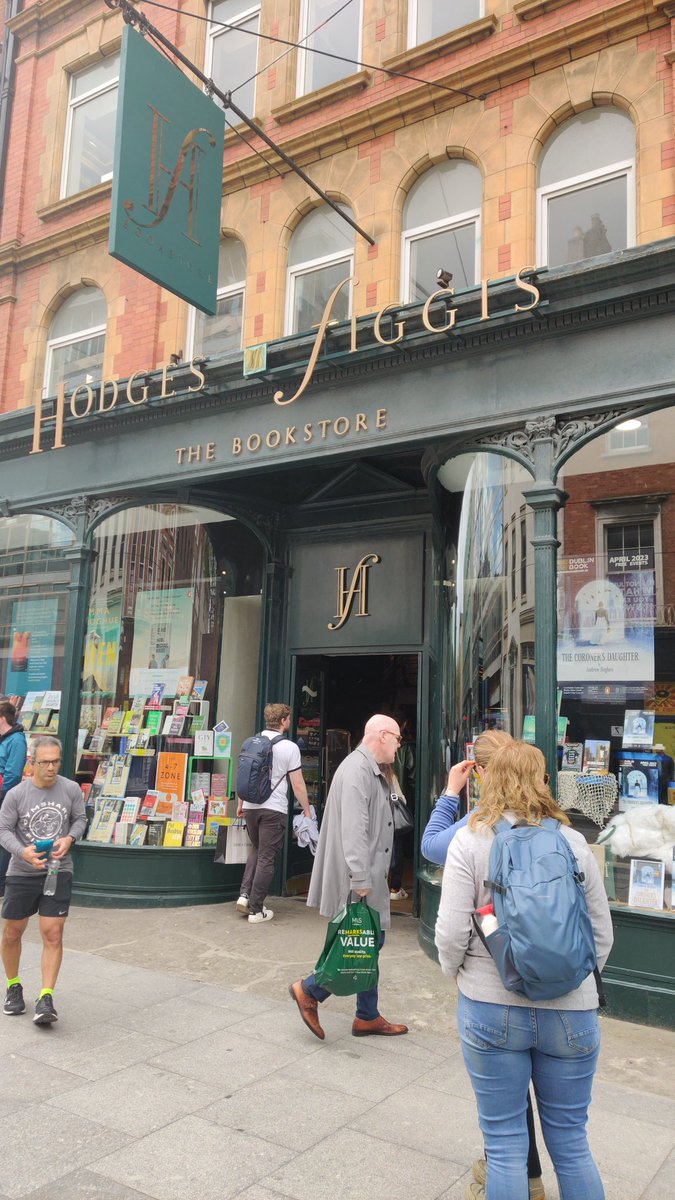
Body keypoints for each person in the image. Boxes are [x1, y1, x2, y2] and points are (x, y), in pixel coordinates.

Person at [435, 740, 613, 1200]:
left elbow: (451, 933)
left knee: (504, 1144)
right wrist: (570, 978)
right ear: (543, 782)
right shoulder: (574, 843)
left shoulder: (470, 839)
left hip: (490, 1006)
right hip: (572, 1012)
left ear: (489, 781)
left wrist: (459, 974)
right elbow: (601, 934)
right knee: (572, 1144)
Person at [422, 732, 545, 1199]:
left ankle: (520, 1177)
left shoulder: (477, 826)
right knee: (570, 1137)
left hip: (495, 982)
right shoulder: (562, 832)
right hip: (560, 986)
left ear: (483, 772)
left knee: (504, 1110)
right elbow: (599, 930)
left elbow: (431, 847)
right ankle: (530, 1176)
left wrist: (449, 794)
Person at [289, 714, 408, 1040]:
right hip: (360, 875)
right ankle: (309, 990)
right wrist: (360, 878)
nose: (399, 745)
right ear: (382, 735)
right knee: (362, 940)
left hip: (368, 872)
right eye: (397, 739)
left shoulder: (369, 769)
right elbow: (354, 830)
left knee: (366, 939)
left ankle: (367, 1015)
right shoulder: (358, 770)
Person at [0, 735, 86, 1024]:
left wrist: (70, 838)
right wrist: (21, 852)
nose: (51, 767)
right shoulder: (16, 794)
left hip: (58, 870)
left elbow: (80, 819)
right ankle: (13, 986)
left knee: (53, 933)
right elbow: (3, 830)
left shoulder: (71, 789)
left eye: (56, 762)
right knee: (13, 932)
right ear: (32, 763)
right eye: (45, 762)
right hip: (22, 872)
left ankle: (46, 997)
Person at [236, 702, 312, 924]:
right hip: (273, 809)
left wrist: (241, 803)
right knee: (267, 857)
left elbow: (244, 776)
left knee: (257, 849)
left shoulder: (250, 742)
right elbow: (298, 784)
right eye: (288, 718)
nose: (289, 721)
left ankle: (244, 895)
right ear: (283, 721)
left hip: (250, 806)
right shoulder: (289, 747)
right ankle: (256, 909)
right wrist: (307, 809)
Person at [0, 699, 28, 897]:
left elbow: (13, 774)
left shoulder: (16, 740)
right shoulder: (4, 739)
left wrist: (3, 795)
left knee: (3, 839)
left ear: (2, 718)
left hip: (5, 796)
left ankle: (2, 884)